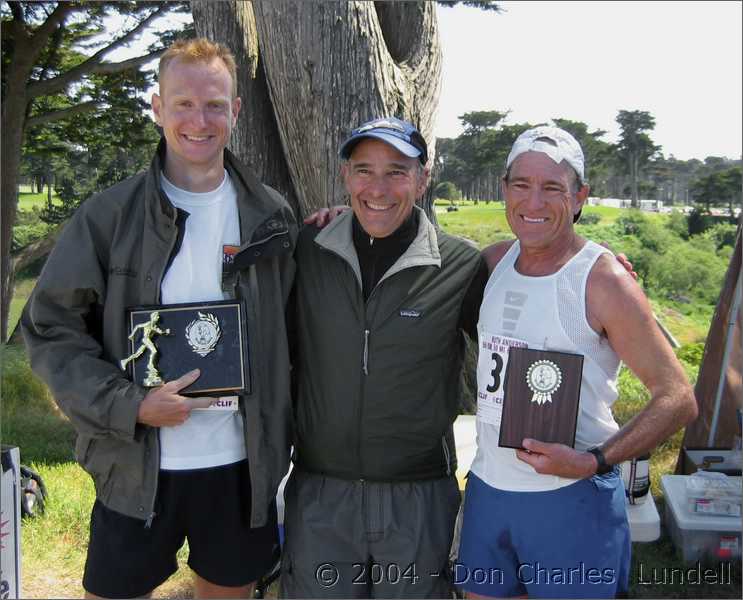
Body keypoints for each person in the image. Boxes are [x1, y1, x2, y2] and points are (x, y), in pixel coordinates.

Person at [21, 38, 297, 599]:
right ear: (157, 107)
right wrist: (131, 405)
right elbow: (51, 329)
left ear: (235, 111)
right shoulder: (108, 217)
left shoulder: (271, 216)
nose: (200, 120)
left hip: (241, 467)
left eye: (215, 104)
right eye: (184, 104)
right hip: (137, 467)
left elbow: (296, 327)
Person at [456, 126, 698, 598]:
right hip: (489, 489)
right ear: (504, 189)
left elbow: (678, 398)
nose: (534, 201)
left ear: (581, 194)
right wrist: (347, 218)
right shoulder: (492, 262)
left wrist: (593, 461)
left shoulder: (603, 279)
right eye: (521, 184)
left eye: (553, 187)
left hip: (569, 498)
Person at [282, 116, 489, 598]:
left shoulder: (460, 265)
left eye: (396, 171)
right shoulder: (306, 251)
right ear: (344, 177)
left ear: (423, 178)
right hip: (320, 495)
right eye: (363, 170)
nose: (378, 187)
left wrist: (580, 262)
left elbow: (524, 325)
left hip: (417, 499)